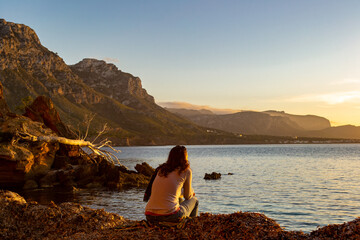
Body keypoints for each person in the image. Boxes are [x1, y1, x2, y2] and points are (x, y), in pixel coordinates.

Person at [144, 145, 199, 223]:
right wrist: (191, 193)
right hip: (170, 217)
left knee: (178, 199)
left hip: (150, 216)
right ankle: (192, 225)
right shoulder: (186, 171)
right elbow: (187, 196)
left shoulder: (161, 170)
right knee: (194, 200)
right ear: (185, 157)